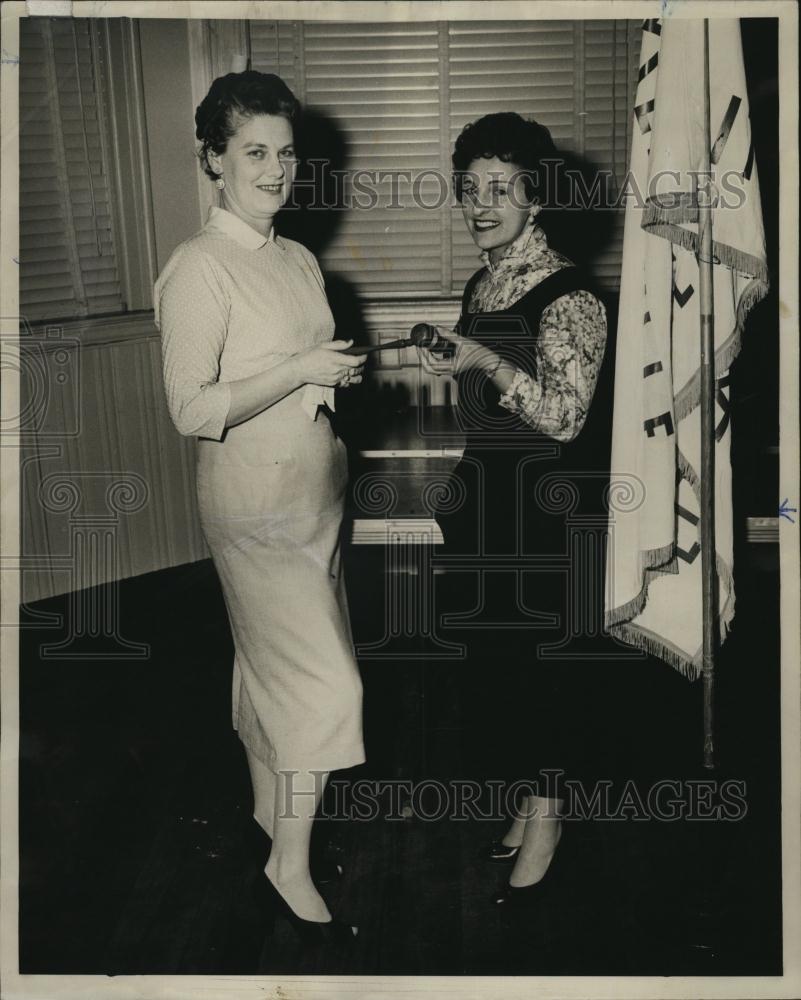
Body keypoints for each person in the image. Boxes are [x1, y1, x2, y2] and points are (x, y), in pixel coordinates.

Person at [154, 71, 366, 943]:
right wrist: (300, 372)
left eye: (284, 153)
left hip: (314, 493)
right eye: (254, 153)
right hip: (254, 505)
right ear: (212, 159)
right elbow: (193, 409)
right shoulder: (200, 268)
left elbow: (297, 364)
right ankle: (288, 862)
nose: (276, 170)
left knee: (269, 663)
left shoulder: (292, 256)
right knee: (326, 682)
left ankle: (263, 811)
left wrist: (330, 379)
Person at [420, 112, 610, 905]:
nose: (480, 203)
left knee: (544, 677)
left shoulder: (575, 296)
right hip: (486, 503)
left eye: (500, 188)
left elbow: (565, 417)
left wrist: (485, 361)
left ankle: (549, 816)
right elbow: (488, 397)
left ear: (536, 197)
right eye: (470, 189)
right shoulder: (484, 282)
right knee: (494, 670)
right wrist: (458, 363)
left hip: (544, 515)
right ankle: (529, 801)